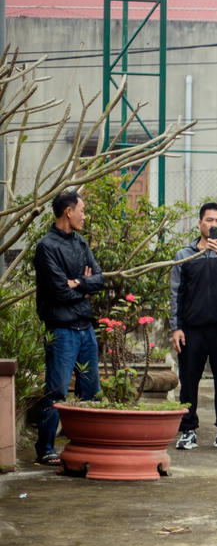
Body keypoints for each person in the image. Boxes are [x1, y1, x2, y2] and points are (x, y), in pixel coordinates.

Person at [32, 190, 104, 467]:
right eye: (82, 210)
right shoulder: (46, 247)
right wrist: (81, 289)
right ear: (68, 212)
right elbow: (59, 291)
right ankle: (46, 447)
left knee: (90, 390)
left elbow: (98, 278)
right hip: (60, 328)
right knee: (57, 391)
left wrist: (80, 284)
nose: (84, 216)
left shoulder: (81, 242)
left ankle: (86, 444)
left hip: (84, 327)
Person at [169, 201, 217, 452]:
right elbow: (176, 293)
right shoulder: (185, 254)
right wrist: (175, 327)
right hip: (192, 329)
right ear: (200, 223)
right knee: (188, 380)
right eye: (209, 220)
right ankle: (188, 430)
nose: (214, 225)